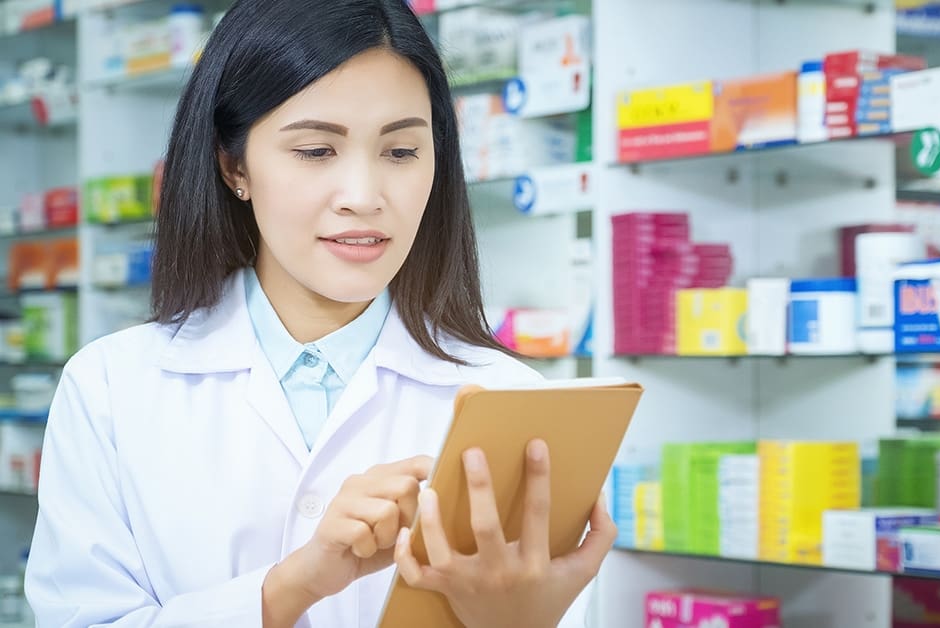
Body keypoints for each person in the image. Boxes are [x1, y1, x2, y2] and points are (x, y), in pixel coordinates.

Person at [24, 1, 614, 626]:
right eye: (314, 151)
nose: (363, 198)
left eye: (401, 152)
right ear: (234, 166)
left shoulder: (509, 400)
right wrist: (287, 590)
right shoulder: (111, 390)